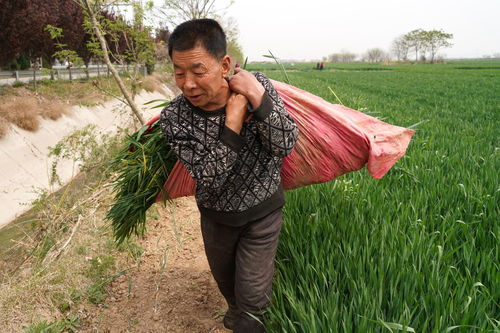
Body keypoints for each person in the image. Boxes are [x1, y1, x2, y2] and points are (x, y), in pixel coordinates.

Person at [159, 19, 298, 332]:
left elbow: (285, 143)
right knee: (229, 289)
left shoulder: (257, 86)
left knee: (252, 303)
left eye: (198, 71)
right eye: (179, 73)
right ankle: (236, 312)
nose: (187, 84)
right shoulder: (175, 118)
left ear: (224, 65)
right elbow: (208, 178)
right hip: (217, 218)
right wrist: (233, 123)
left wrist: (258, 100)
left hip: (263, 214)